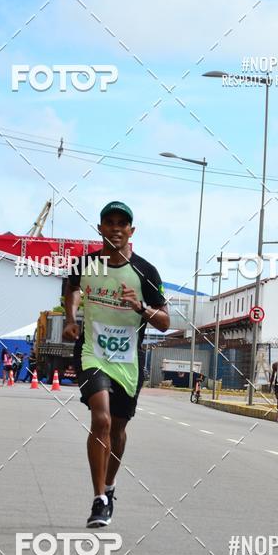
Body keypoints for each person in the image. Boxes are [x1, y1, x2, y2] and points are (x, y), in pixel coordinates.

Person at [63, 201, 169, 527]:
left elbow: (165, 321)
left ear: (131, 231)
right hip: (92, 353)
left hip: (128, 360)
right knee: (102, 419)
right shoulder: (87, 265)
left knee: (119, 428)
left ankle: (109, 487)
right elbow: (73, 288)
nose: (116, 228)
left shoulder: (144, 272)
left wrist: (141, 308)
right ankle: (98, 500)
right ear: (100, 228)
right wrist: (70, 318)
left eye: (122, 223)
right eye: (109, 222)